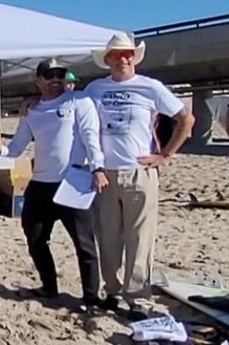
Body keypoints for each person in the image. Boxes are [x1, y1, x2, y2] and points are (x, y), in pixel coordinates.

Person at [0, 58, 108, 311]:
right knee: (35, 236)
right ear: (38, 80)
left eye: (60, 75)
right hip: (41, 183)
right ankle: (49, 286)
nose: (55, 80)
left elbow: (90, 136)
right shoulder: (32, 110)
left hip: (74, 181)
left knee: (84, 243)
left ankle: (91, 297)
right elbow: (16, 147)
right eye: (49, 76)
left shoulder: (79, 101)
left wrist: (98, 168)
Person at [83, 33, 194, 315]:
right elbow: (72, 112)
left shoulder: (150, 87)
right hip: (104, 173)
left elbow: (185, 119)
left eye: (127, 53)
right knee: (107, 236)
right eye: (117, 54)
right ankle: (113, 291)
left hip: (140, 172)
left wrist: (166, 155)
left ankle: (137, 295)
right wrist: (31, 103)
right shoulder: (94, 89)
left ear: (134, 57)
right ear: (107, 59)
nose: (123, 58)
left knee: (140, 237)